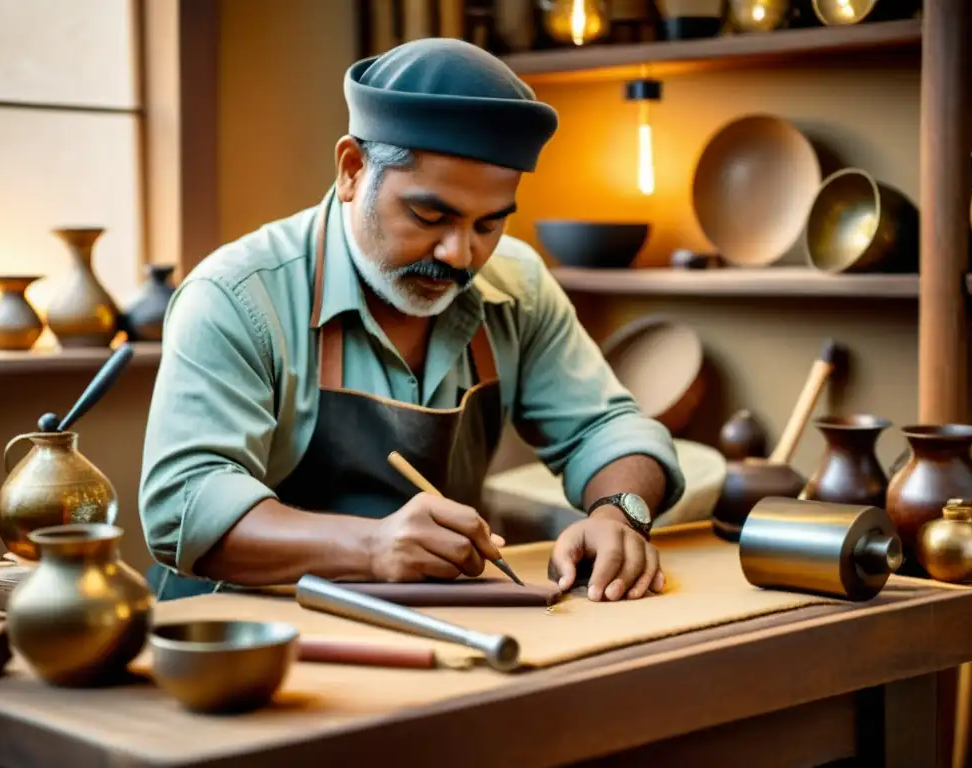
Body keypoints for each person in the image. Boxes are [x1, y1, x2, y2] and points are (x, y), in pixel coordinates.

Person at [138, 37, 686, 603]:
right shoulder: (235, 296)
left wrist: (620, 516)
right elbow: (185, 504)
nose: (459, 254)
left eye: (488, 225)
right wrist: (371, 547)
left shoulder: (516, 285)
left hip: (438, 619)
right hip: (240, 634)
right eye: (429, 215)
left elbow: (609, 430)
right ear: (352, 170)